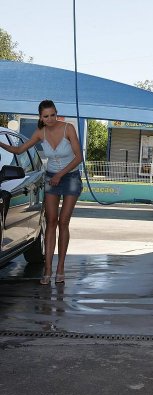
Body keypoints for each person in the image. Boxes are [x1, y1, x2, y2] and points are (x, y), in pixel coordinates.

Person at [0, 100, 83, 285]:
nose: (50, 119)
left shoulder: (68, 128)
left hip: (70, 178)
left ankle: (60, 268)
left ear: (56, 113)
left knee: (63, 222)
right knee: (51, 222)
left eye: (53, 114)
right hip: (52, 178)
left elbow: (79, 157)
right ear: (41, 117)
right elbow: (19, 149)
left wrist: (60, 175)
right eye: (46, 116)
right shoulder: (40, 133)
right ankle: (47, 269)